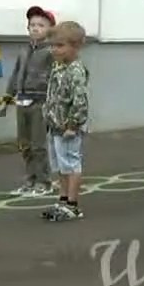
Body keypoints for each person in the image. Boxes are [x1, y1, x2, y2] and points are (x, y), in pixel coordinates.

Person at [39, 21, 91, 222]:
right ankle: (62, 200)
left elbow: (80, 101)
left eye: (60, 46)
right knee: (60, 166)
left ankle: (73, 205)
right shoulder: (58, 67)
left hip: (68, 127)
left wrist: (73, 124)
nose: (54, 49)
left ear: (75, 46)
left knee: (71, 164)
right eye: (52, 45)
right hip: (55, 125)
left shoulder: (75, 70)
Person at [3, 5, 56, 198]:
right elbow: (16, 74)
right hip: (22, 101)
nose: (35, 28)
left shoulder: (51, 52)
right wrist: (7, 97)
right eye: (32, 24)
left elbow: (55, 78)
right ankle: (30, 180)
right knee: (24, 144)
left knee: (38, 145)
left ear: (50, 29)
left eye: (41, 25)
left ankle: (44, 181)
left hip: (40, 102)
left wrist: (53, 102)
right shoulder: (24, 51)